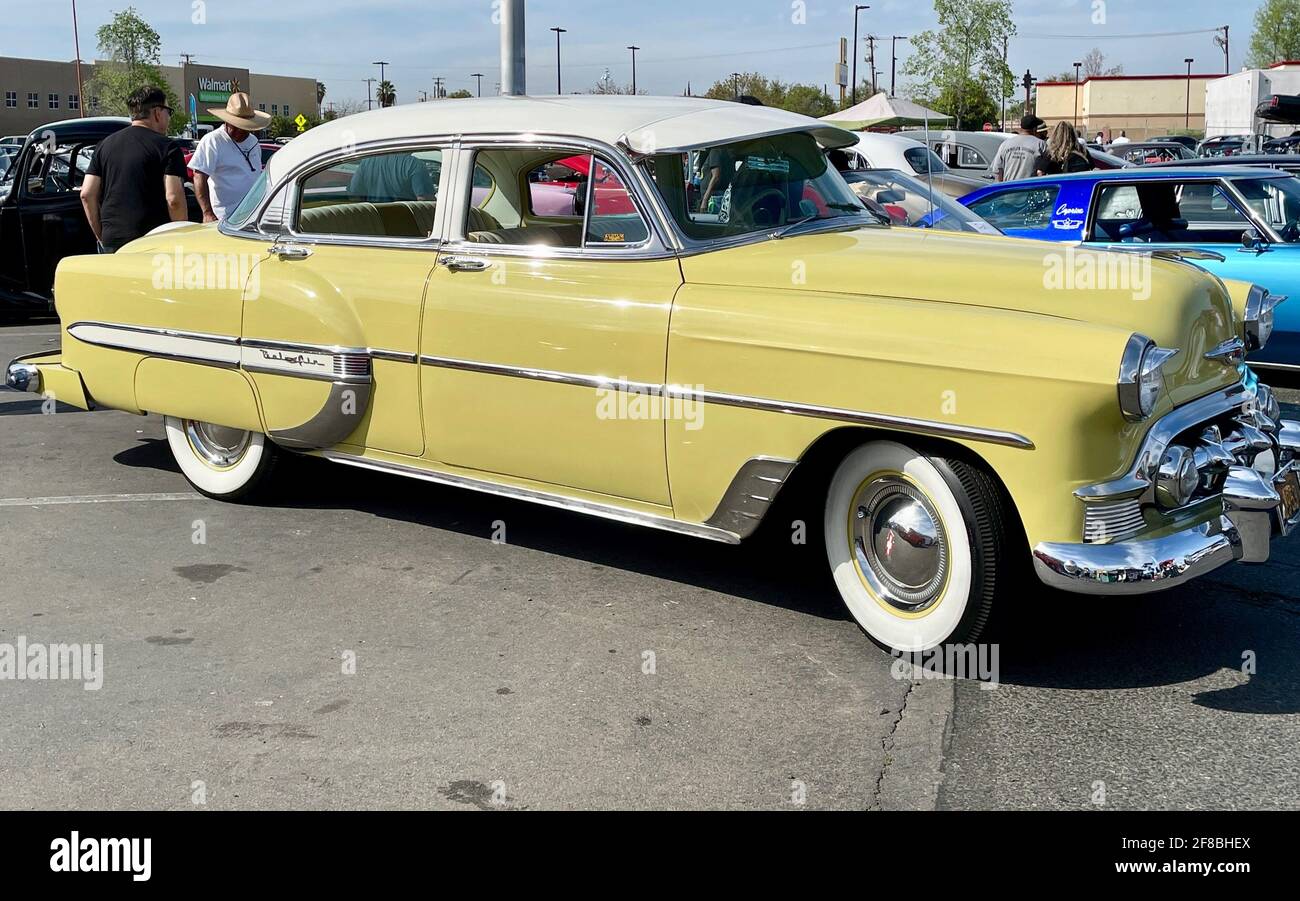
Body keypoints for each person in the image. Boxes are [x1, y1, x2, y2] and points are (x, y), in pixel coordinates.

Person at [80, 86, 187, 253]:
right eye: (169, 111)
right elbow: (174, 199)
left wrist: (101, 236)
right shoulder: (168, 147)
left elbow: (86, 194)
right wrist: (181, 238)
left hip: (112, 240)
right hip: (153, 242)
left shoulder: (104, 145)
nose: (169, 117)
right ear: (157, 112)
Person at [190, 92, 271, 222]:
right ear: (227, 121)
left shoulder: (253, 142)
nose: (241, 131)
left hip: (253, 215)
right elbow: (199, 175)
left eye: (245, 127)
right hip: (224, 217)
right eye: (237, 126)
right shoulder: (213, 140)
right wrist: (207, 213)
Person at [348, 152, 436, 203]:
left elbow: (354, 194)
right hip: (407, 227)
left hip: (376, 225)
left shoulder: (366, 163)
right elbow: (425, 202)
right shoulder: (414, 164)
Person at [991, 115, 1047, 182]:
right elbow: (1041, 173)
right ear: (1035, 129)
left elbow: (998, 171)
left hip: (1009, 189)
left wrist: (1001, 189)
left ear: (1021, 127)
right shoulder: (1041, 145)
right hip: (1030, 190)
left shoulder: (1005, 144)